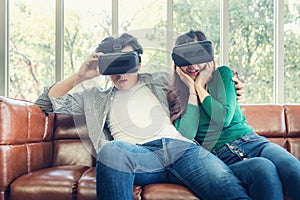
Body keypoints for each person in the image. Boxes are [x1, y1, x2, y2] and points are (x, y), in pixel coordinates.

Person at [35, 33, 251, 200]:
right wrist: (80, 76)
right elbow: (45, 102)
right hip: (136, 156)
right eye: (113, 65)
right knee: (111, 151)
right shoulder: (94, 99)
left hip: (181, 149)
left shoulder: (159, 80)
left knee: (229, 187)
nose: (121, 73)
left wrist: (234, 85)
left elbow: (200, 74)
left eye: (126, 62)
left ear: (138, 62)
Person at [168, 30, 300, 200]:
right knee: (262, 168)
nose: (192, 66)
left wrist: (200, 88)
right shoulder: (175, 95)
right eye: (185, 58)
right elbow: (187, 134)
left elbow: (224, 118)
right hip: (220, 158)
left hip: (252, 142)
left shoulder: (223, 74)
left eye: (198, 56)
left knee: (292, 169)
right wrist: (192, 92)